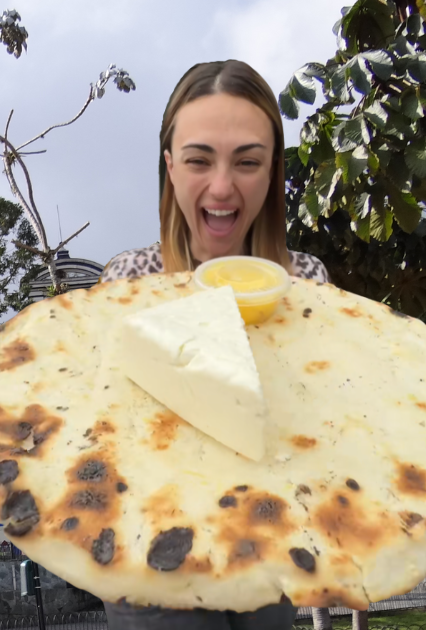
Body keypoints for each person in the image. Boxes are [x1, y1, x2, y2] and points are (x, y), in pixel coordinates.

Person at [97, 59, 328, 630]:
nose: (222, 187)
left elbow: (327, 426)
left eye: (247, 162)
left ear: (272, 172)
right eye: (199, 160)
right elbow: (99, 432)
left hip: (267, 549)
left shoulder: (306, 284)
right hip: (151, 561)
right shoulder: (129, 282)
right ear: (170, 167)